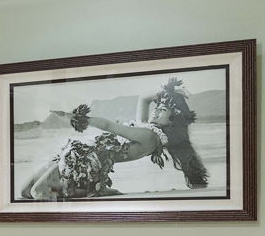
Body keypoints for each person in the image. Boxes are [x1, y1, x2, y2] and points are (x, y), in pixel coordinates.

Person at [18, 78, 211, 201]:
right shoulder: (146, 127)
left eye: (162, 110)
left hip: (85, 164)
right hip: (75, 154)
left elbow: (109, 126)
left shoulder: (150, 137)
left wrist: (74, 117)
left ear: (173, 120)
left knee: (38, 193)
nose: (156, 110)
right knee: (24, 192)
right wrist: (168, 92)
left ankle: (90, 190)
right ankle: (94, 190)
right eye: (158, 107)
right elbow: (144, 99)